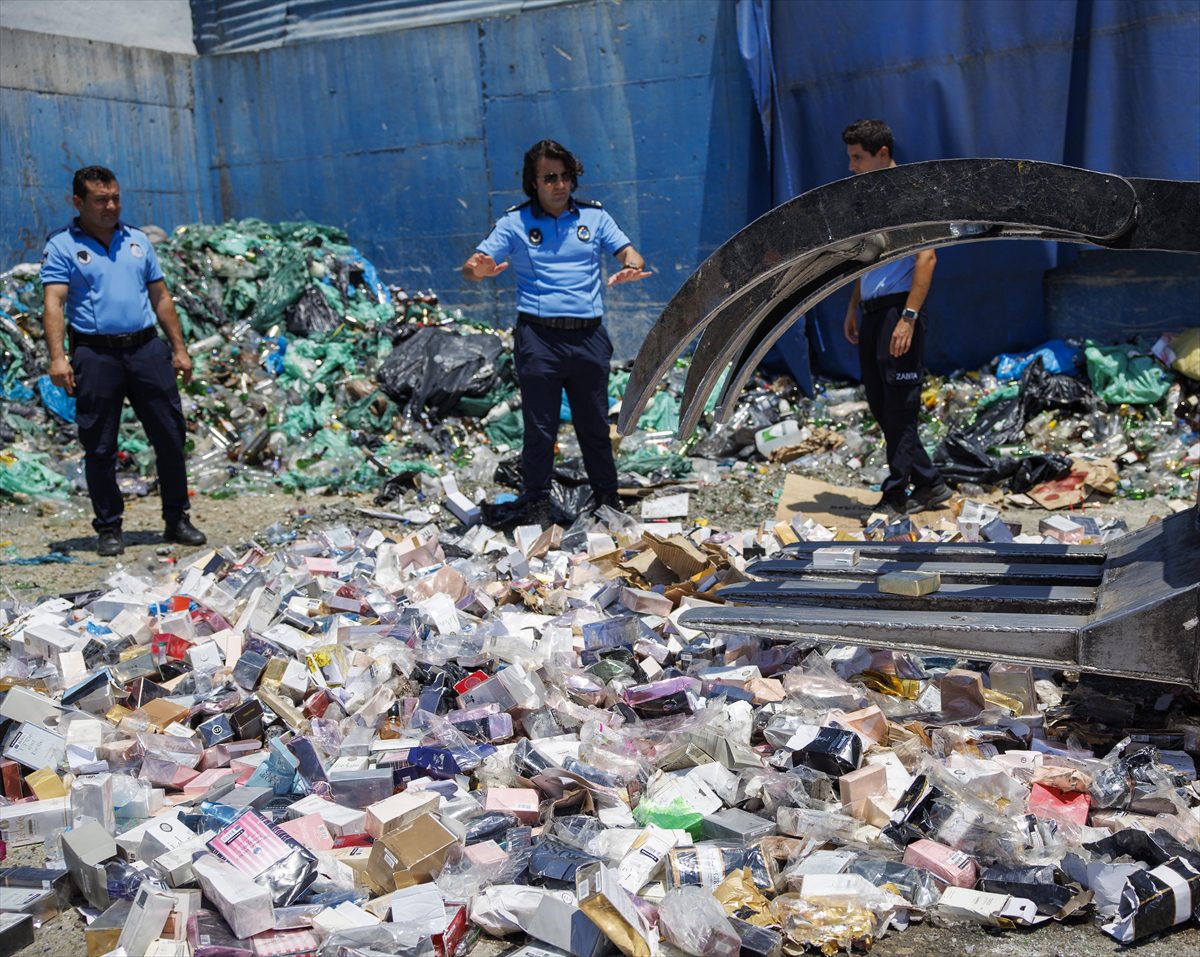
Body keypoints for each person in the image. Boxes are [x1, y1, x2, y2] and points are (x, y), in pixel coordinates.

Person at [463, 139, 650, 526]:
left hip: (588, 338)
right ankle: (536, 505)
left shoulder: (594, 218)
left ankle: (606, 499)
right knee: (540, 429)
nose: (560, 185)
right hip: (539, 340)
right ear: (533, 182)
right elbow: (474, 265)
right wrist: (477, 269)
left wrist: (632, 265)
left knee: (595, 426)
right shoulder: (516, 222)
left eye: (566, 177)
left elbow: (628, 252)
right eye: (550, 178)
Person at [41, 166, 206, 556]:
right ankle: (109, 527)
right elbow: (54, 302)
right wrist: (58, 357)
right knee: (99, 444)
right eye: (101, 200)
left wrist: (179, 349)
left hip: (146, 350)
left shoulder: (136, 241)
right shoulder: (63, 245)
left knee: (169, 435)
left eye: (115, 197)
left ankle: (177, 519)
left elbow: (161, 297)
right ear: (78, 202)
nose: (111, 206)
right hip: (95, 354)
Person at [841, 119, 951, 515]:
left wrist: (908, 317)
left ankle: (894, 494)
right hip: (872, 311)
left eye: (858, 157)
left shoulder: (911, 196)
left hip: (897, 311)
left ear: (882, 154)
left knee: (900, 406)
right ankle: (930, 484)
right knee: (880, 405)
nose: (852, 166)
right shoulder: (867, 202)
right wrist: (853, 306)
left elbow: (928, 257)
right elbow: (863, 259)